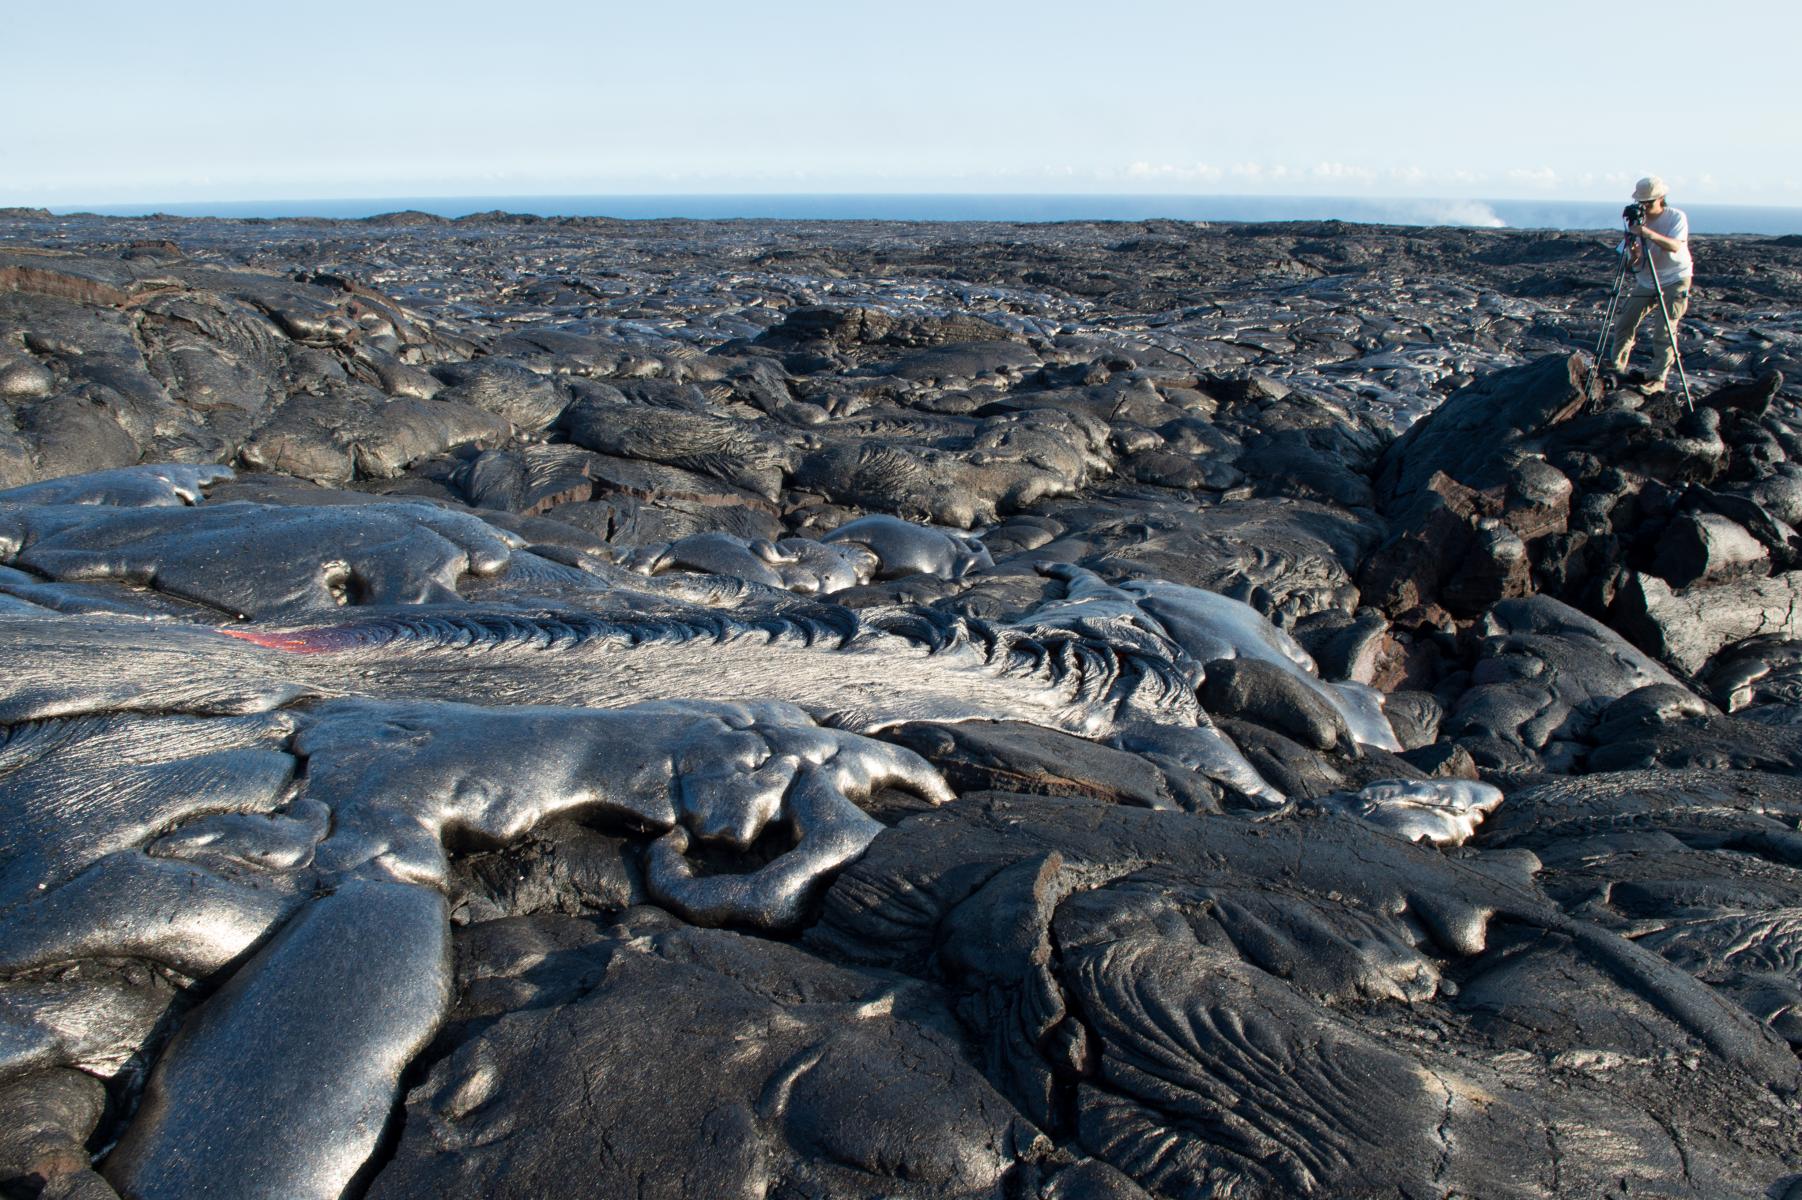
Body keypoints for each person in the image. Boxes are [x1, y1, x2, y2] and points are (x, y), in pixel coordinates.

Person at [1606, 175, 1692, 394]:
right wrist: (1633, 252)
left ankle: (1657, 379)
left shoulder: (1675, 217)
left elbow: (1674, 246)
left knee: (1664, 329)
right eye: (1641, 203)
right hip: (1647, 280)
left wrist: (1646, 233)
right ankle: (1616, 367)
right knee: (1625, 322)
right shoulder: (1635, 224)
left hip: (1675, 278)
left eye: (1648, 202)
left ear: (1661, 198)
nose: (1644, 207)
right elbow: (1629, 265)